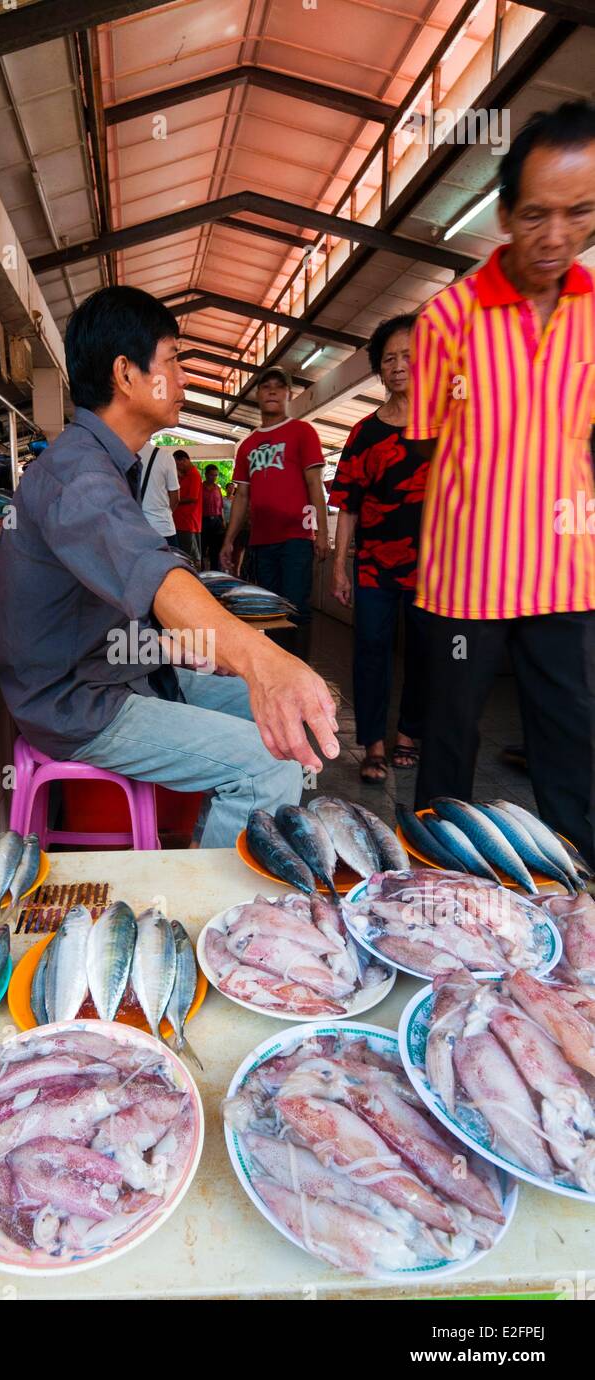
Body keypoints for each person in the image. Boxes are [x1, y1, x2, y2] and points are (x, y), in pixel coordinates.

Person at [0, 285, 339, 849]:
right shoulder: (76, 476)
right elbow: (153, 577)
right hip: (79, 703)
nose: (183, 381)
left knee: (299, 716)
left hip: (123, 674)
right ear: (126, 374)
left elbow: (122, 601)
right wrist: (262, 664)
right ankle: (220, 921)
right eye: (174, 361)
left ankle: (215, 848)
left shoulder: (108, 465)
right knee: (268, 764)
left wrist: (205, 651)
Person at [408, 100, 595, 863]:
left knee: (571, 744)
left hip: (568, 576)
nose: (555, 236)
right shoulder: (444, 319)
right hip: (463, 581)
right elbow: (426, 449)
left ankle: (577, 897)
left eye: (579, 212)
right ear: (503, 213)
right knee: (448, 744)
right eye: (534, 214)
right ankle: (425, 886)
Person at [329, 315, 428, 785]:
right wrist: (339, 566)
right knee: (370, 650)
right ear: (379, 370)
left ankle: (409, 733)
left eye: (409, 354)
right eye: (389, 358)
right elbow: (346, 503)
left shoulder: (447, 428)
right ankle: (374, 743)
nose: (399, 365)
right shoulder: (364, 433)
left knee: (426, 652)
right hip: (373, 567)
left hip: (435, 569)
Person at [220, 367, 329, 660]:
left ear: (288, 394)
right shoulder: (247, 445)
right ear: (257, 394)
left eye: (278, 387)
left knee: (295, 607)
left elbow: (314, 486)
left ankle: (300, 670)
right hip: (261, 542)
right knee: (270, 609)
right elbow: (242, 496)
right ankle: (279, 668)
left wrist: (321, 534)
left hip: (296, 538)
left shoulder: (302, 432)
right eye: (265, 386)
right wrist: (229, 540)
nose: (271, 391)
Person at [138, 439, 179, 543]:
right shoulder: (165, 456)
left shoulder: (118, 454)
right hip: (162, 528)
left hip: (131, 528)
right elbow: (175, 497)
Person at [172, 449, 203, 566]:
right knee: (183, 554)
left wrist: (174, 500)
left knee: (191, 556)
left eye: (177, 464)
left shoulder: (194, 475)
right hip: (181, 521)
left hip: (188, 522)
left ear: (184, 460)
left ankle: (196, 579)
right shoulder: (184, 476)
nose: (177, 467)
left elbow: (193, 497)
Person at [201, 463, 225, 570]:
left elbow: (221, 507)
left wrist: (223, 520)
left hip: (217, 521)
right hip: (203, 521)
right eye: (212, 475)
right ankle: (201, 573)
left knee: (215, 550)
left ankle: (215, 572)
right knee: (202, 548)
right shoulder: (200, 487)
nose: (214, 477)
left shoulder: (217, 489)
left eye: (216, 475)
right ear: (206, 474)